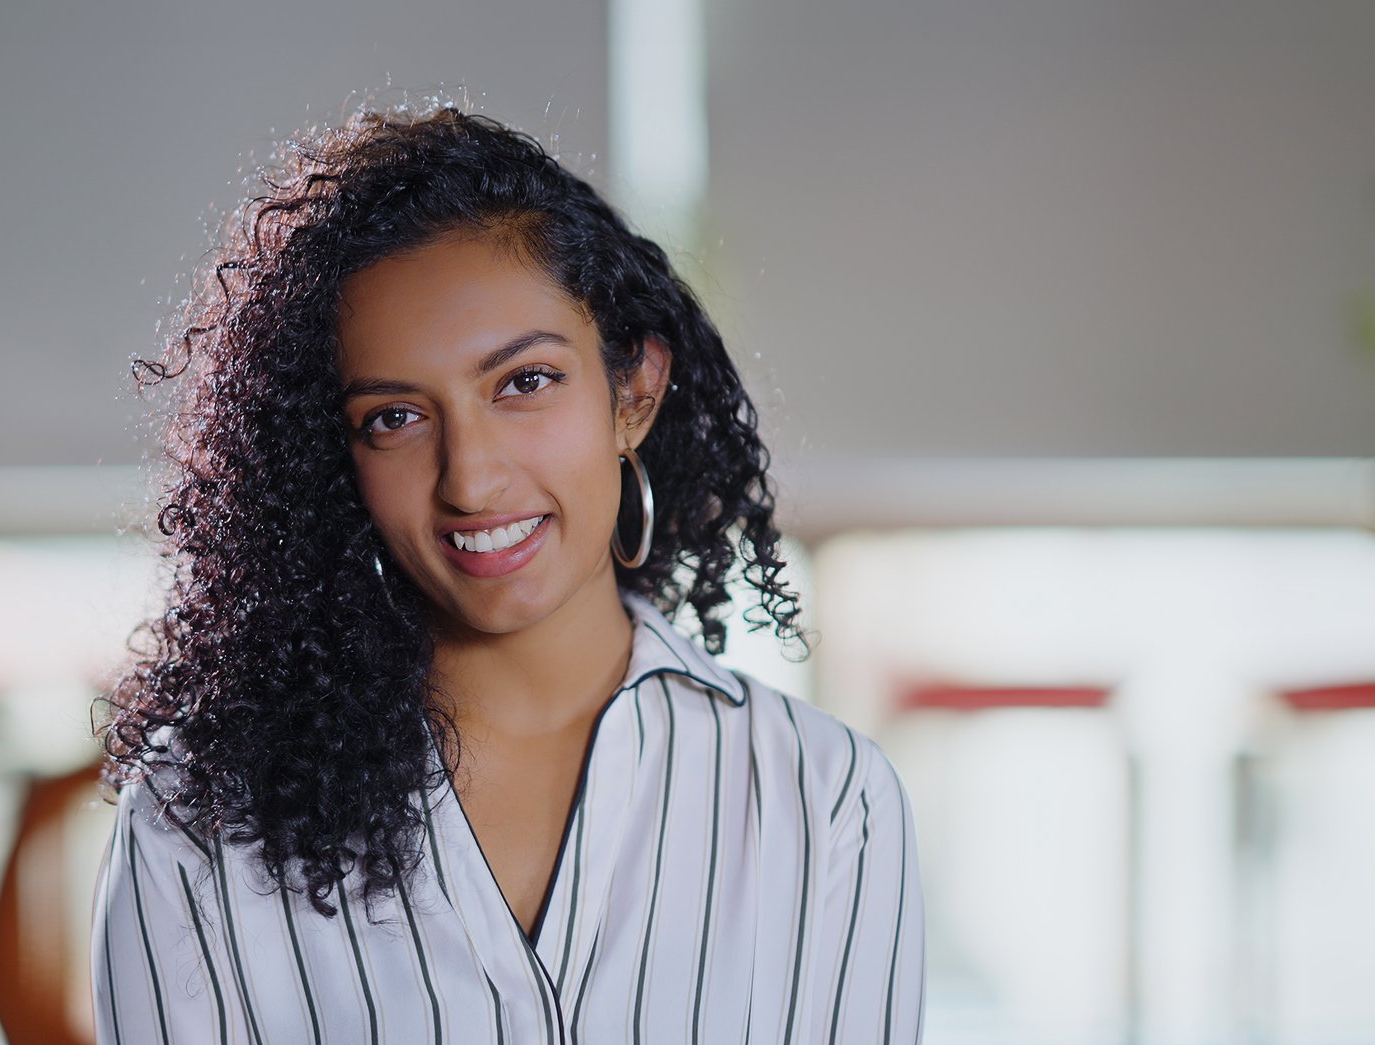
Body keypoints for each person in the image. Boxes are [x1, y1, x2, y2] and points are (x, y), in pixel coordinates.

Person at [91, 105, 923, 1044]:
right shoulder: (197, 821)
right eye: (395, 417)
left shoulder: (824, 798)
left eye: (524, 382)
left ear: (634, 393)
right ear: (339, 459)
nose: (471, 478)